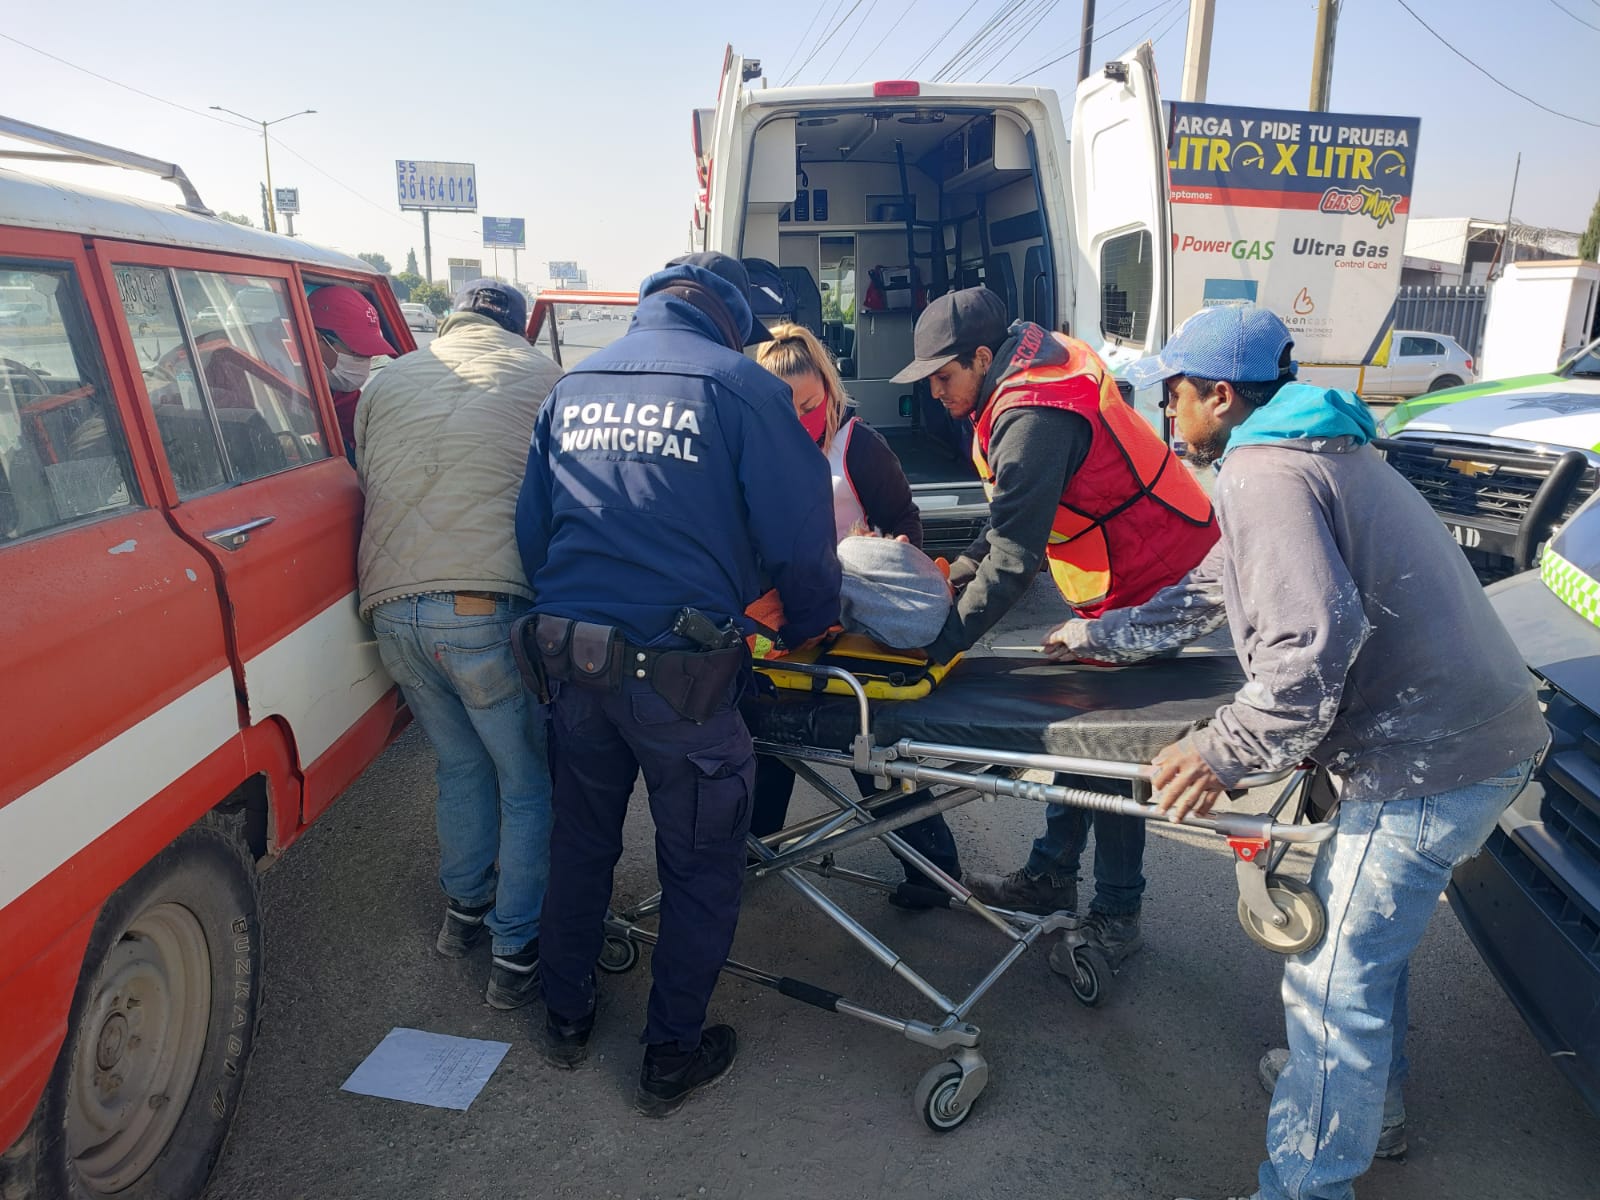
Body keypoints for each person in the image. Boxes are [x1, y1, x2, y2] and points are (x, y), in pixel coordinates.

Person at [1134, 305, 1548, 1200]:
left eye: (1175, 397)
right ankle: (1376, 1111)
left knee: (1330, 985)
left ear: (1219, 394)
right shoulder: (1324, 446)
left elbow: (1310, 651)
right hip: (1476, 732)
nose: (1168, 415)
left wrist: (1219, 750)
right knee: (1365, 942)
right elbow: (1221, 581)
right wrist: (1105, 635)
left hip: (1430, 759)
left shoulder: (1264, 471)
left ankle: (1304, 1186)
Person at [516, 253, 840, 1117]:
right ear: (728, 322)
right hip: (682, 680)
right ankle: (670, 1055)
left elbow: (532, 531)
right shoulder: (740, 388)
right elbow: (803, 534)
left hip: (570, 663)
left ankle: (565, 1015)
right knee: (699, 862)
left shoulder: (571, 387)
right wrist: (810, 625)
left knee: (581, 842)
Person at [892, 287, 1217, 966]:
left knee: (1112, 746)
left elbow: (1014, 561)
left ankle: (1116, 914)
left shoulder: (1035, 413)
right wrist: (950, 575)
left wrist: (937, 652)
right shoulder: (1026, 367)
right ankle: (1049, 876)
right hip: (1126, 565)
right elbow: (1009, 522)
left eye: (944, 378)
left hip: (1157, 570)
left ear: (982, 357)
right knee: (1084, 737)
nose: (936, 395)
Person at [353, 279, 561, 1010]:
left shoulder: (389, 378)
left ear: (453, 321)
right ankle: (515, 952)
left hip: (388, 610)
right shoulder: (542, 376)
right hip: (481, 606)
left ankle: (461, 915)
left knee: (459, 766)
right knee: (527, 782)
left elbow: (366, 470)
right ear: (517, 327)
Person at [748, 323, 962, 907]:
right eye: (786, 408)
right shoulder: (762, 449)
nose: (802, 417)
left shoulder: (859, 445)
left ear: (828, 386)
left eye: (811, 403)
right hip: (790, 627)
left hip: (859, 628)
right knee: (774, 743)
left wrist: (885, 546)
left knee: (875, 755)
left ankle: (933, 873)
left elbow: (906, 520)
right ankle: (755, 849)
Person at [308, 284, 397, 464]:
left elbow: (370, 441)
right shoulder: (269, 380)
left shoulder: (342, 394)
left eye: (369, 354)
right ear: (316, 338)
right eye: (357, 352)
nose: (364, 362)